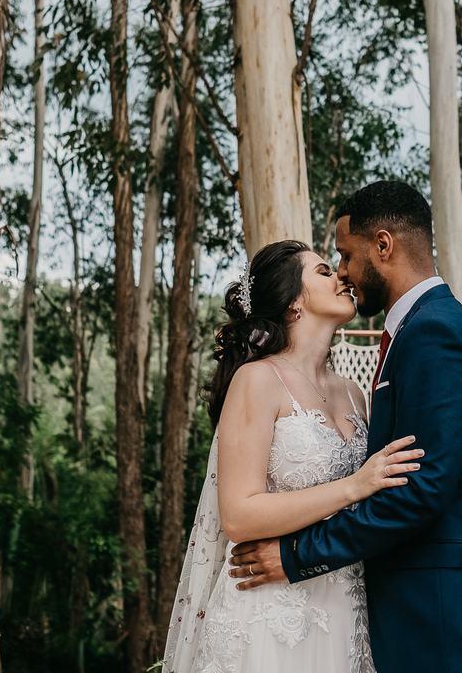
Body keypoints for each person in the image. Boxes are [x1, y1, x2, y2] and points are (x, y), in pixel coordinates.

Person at [227, 181, 462, 673]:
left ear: (383, 245)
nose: (343, 273)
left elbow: (417, 492)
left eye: (345, 255)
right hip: (406, 616)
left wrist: (295, 557)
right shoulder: (419, 330)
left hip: (452, 618)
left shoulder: (431, 333)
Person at [161, 239, 424, 673]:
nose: (341, 276)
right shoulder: (257, 380)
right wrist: (353, 486)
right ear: (293, 303)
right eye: (323, 271)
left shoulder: (355, 394)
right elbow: (240, 515)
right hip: (270, 612)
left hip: (345, 607)